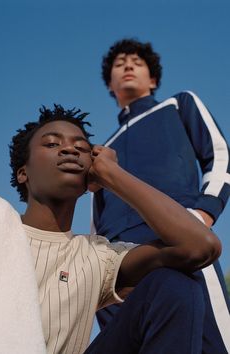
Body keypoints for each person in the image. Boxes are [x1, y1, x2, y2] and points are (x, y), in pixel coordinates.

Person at [0, 104, 220, 354]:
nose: (70, 149)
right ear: (22, 173)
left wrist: (112, 174)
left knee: (176, 283)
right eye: (51, 144)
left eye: (82, 148)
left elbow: (200, 247)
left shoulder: (98, 256)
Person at [92, 38, 230, 353]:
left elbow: (220, 156)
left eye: (137, 62)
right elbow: (94, 219)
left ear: (152, 80)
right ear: (111, 85)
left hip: (179, 239)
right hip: (119, 265)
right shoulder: (101, 150)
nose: (128, 66)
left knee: (211, 343)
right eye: (120, 63)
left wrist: (203, 213)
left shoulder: (179, 105)